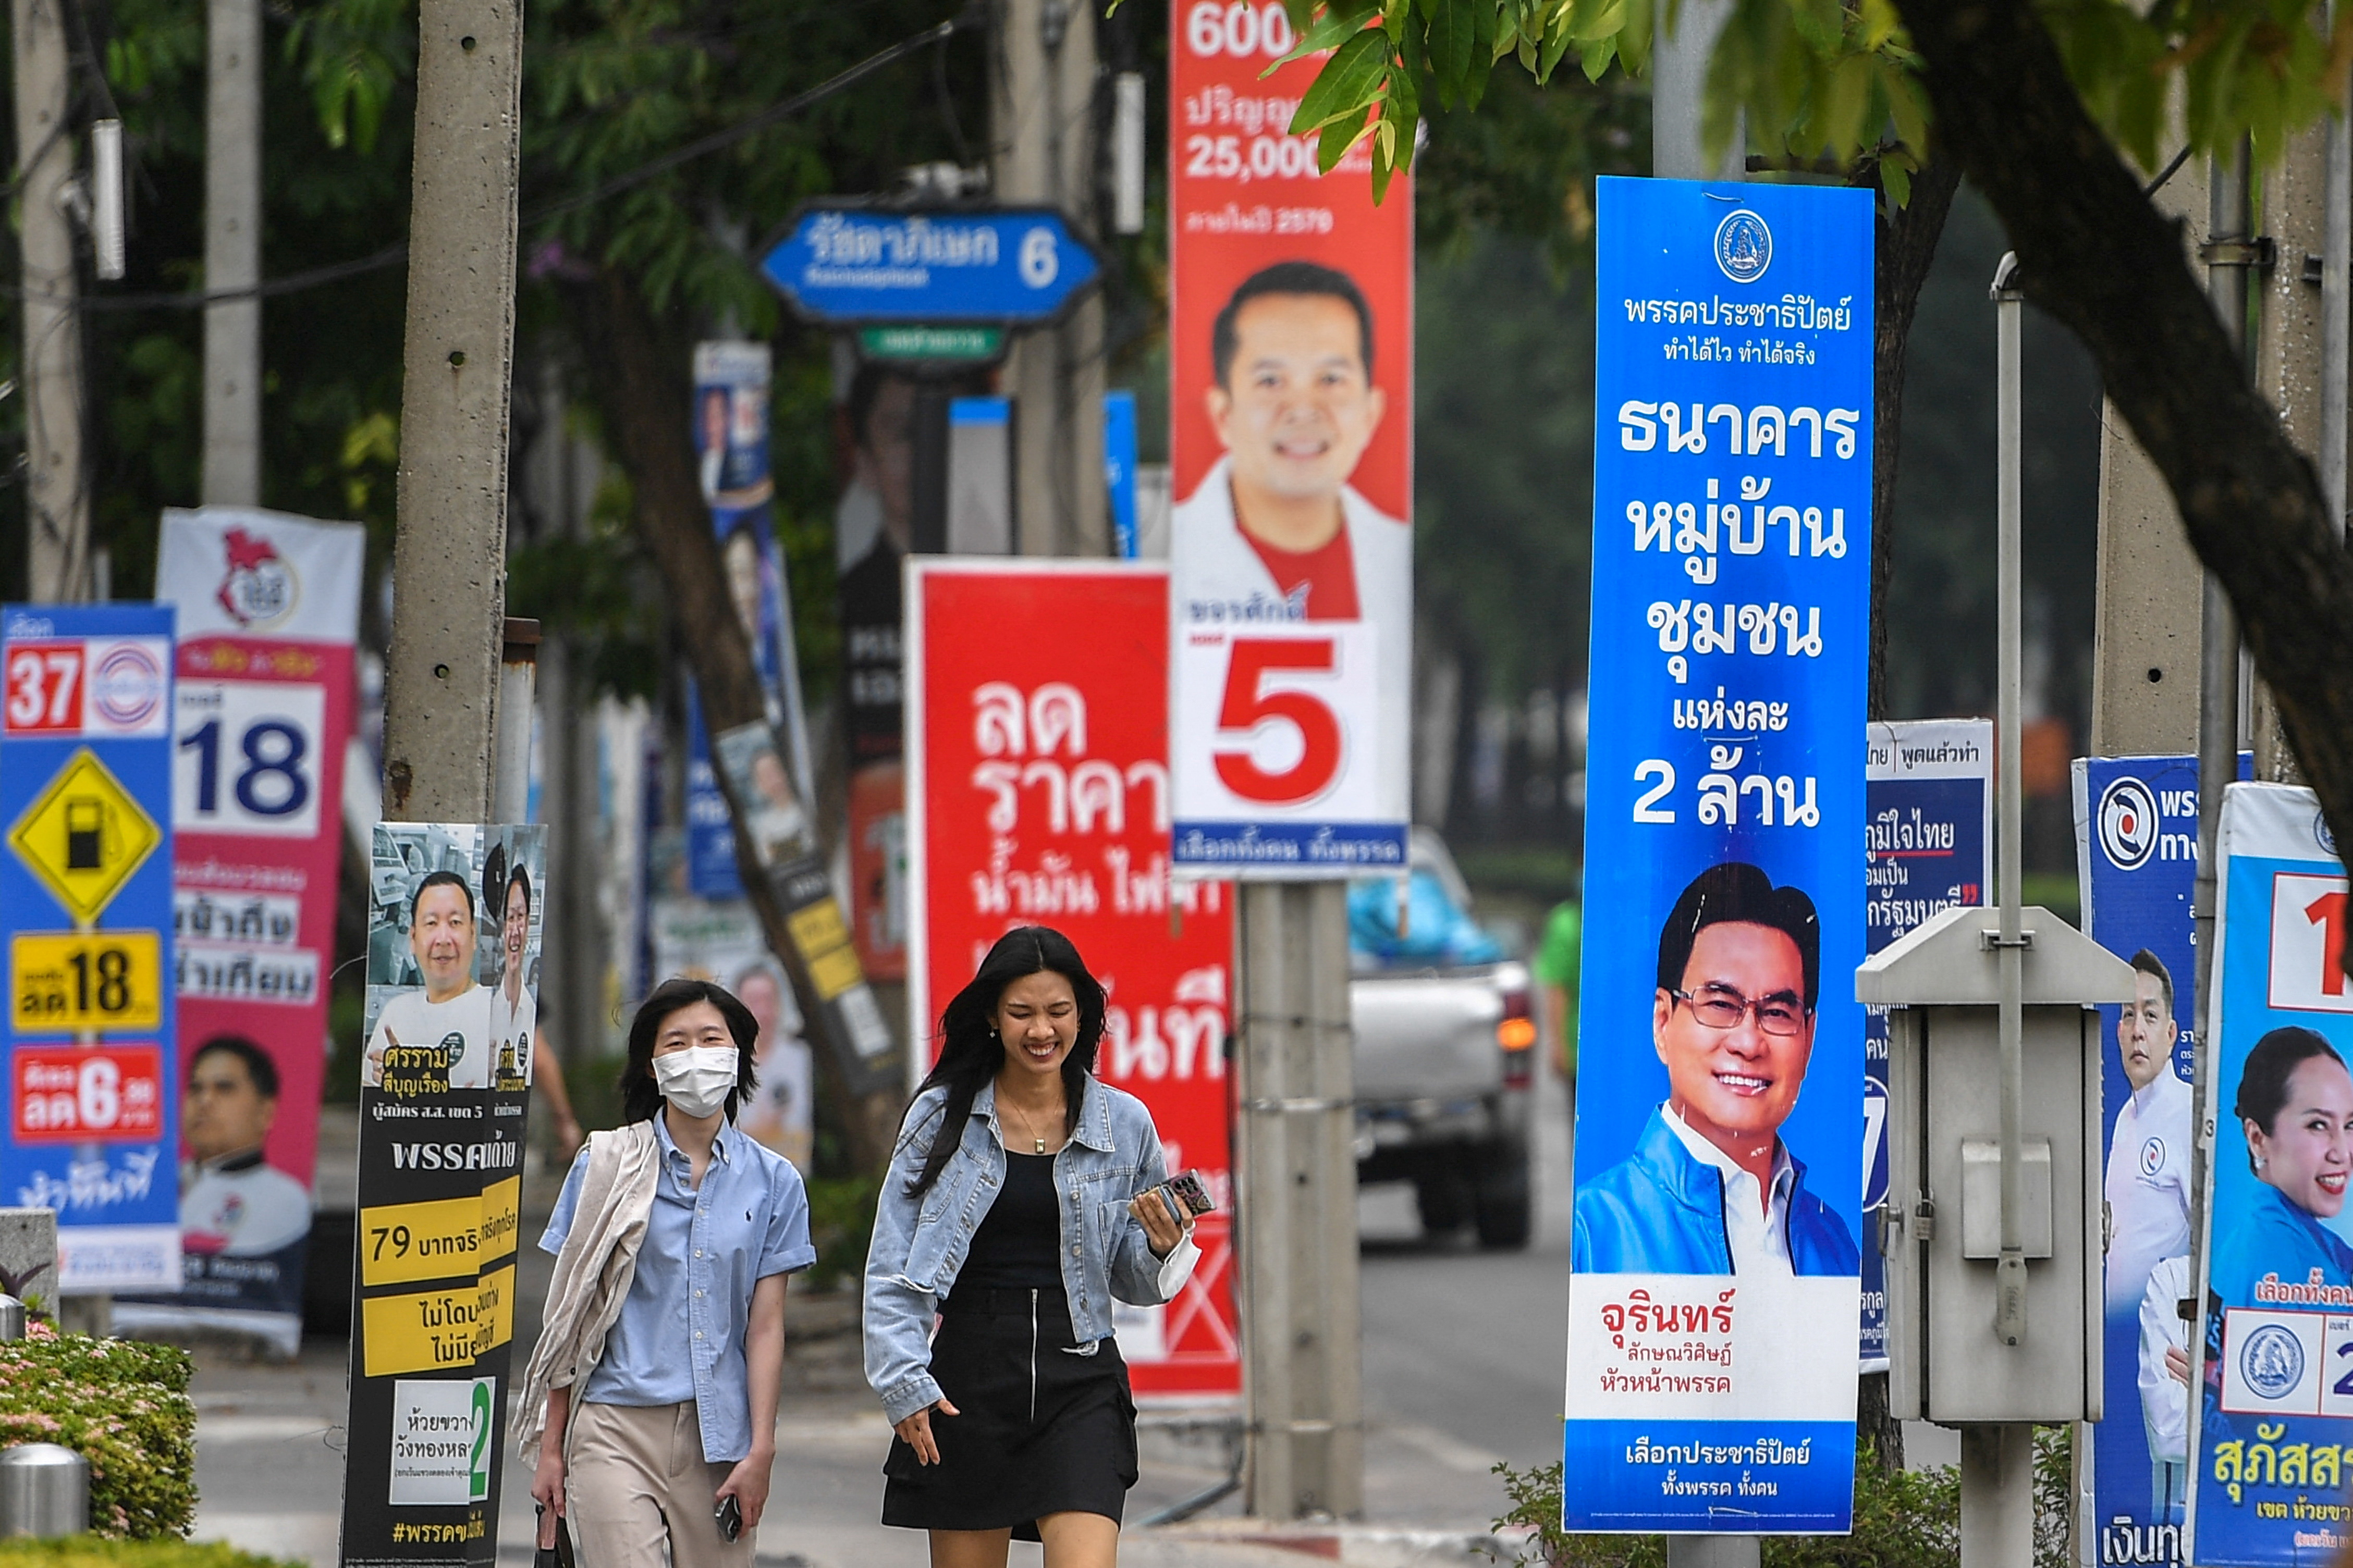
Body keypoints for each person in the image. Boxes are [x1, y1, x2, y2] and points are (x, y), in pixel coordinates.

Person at [865, 926, 1199, 1567]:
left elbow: (1131, 1280)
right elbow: (891, 1264)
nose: (1041, 1030)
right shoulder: (941, 1117)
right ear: (992, 1016)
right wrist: (902, 1381)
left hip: (1081, 1377)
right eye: (1021, 1013)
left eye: (1057, 1012)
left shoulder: (1124, 1123)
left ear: (1082, 1015)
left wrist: (1159, 1248)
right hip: (968, 1380)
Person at [520, 978, 816, 1568]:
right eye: (675, 1043)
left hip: (720, 1440)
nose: (696, 1055)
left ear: (737, 1058)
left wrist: (761, 1451)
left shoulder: (776, 1182)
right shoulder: (604, 1165)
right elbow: (569, 1319)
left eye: (711, 1039)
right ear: (652, 1068)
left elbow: (765, 1329)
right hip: (612, 1426)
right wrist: (551, 1447)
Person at [1572, 861, 1857, 1278]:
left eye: (1777, 1012)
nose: (1748, 1042)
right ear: (1663, 1022)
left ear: (1809, 1037)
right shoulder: (1594, 1231)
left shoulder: (1836, 1244)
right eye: (1721, 1004)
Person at [2208, 1026, 2353, 1308]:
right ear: (2258, 1139)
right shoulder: (2293, 1265)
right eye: (2318, 1125)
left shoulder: (2254, 1237)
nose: (2342, 1153)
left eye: (2350, 1125)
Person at [2106, 949, 2193, 1315]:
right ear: (2119, 1031)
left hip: (2169, 1339)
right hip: (2118, 1332)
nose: (2138, 1029)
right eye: (2129, 1015)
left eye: (2150, 1015)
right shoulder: (2125, 1116)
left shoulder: (2189, 1113)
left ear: (2171, 1034)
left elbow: (2216, 1243)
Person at [179, 1036, 310, 1264]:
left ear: (265, 1112)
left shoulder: (284, 1199)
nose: (205, 1100)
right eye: (196, 1089)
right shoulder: (154, 1185)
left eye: (224, 1089)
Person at [364, 871, 489, 1090]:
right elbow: (370, 1085)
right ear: (412, 939)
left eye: (455, 922)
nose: (443, 939)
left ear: (473, 935)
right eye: (431, 923)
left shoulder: (494, 1011)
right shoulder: (396, 1012)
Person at [2138, 1252, 2191, 1523]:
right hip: (2181, 1528)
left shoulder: (2302, 1284)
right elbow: (2169, 1430)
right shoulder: (2174, 1279)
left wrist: (2209, 1386)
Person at [1533, 894, 1583, 1086]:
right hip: (1577, 1047)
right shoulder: (1566, 923)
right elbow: (1557, 989)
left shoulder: (1565, 921)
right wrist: (1559, 1046)